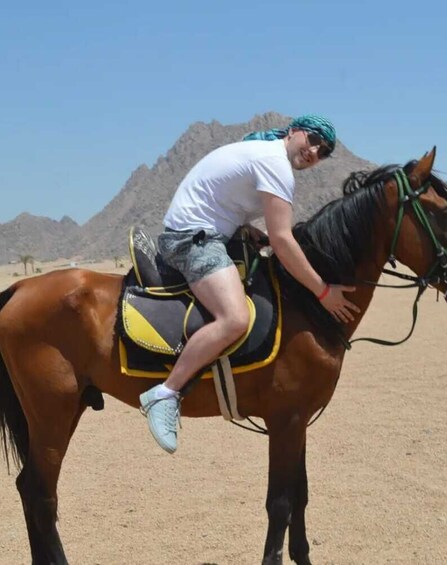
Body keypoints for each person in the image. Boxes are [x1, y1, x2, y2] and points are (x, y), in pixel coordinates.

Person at [139, 114, 360, 453]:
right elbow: (283, 241)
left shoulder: (264, 153)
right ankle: (165, 393)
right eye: (313, 140)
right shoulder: (275, 163)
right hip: (191, 240)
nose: (315, 151)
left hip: (206, 231)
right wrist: (323, 291)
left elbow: (229, 206)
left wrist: (245, 231)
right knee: (235, 317)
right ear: (295, 132)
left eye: (324, 151)